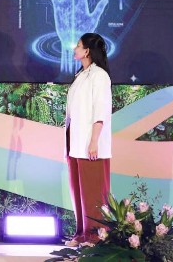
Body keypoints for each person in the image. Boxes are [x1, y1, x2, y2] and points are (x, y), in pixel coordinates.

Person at [64, 32, 112, 246]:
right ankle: (82, 233)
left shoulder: (99, 76)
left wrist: (94, 141)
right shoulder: (81, 75)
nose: (74, 48)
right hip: (75, 140)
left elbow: (100, 111)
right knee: (78, 190)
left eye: (78, 45)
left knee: (93, 192)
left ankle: (95, 236)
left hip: (91, 142)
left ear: (87, 51)